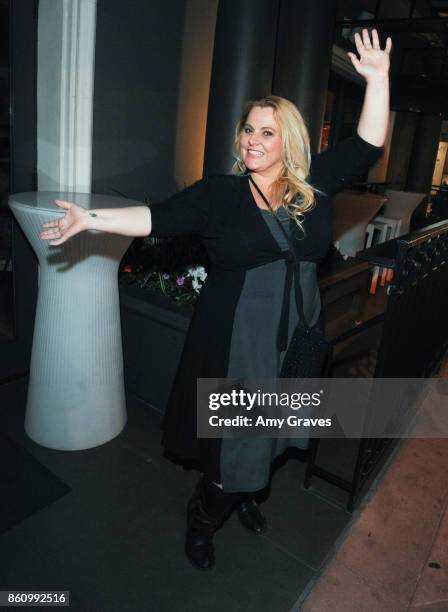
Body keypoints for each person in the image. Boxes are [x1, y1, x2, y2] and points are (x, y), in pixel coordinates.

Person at [40, 29, 391, 571]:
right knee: (237, 445)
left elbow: (368, 143)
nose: (252, 140)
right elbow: (156, 217)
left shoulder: (314, 184)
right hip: (238, 342)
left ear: (289, 142)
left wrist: (378, 80)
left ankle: (246, 491)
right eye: (248, 129)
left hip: (297, 334)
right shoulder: (220, 195)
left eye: (266, 132)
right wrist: (91, 219)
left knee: (273, 432)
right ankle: (207, 514)